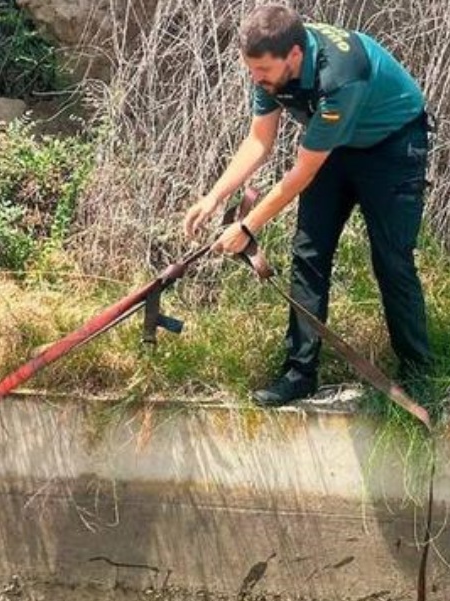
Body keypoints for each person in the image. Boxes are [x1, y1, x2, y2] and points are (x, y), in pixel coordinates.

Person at [183, 4, 433, 406]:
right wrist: (215, 196)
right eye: (252, 70)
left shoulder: (341, 77)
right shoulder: (269, 59)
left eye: (263, 71)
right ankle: (300, 374)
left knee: (392, 259)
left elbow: (300, 174)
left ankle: (419, 375)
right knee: (308, 254)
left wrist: (247, 228)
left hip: (392, 145)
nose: (255, 79)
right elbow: (259, 141)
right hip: (336, 147)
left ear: (295, 56)